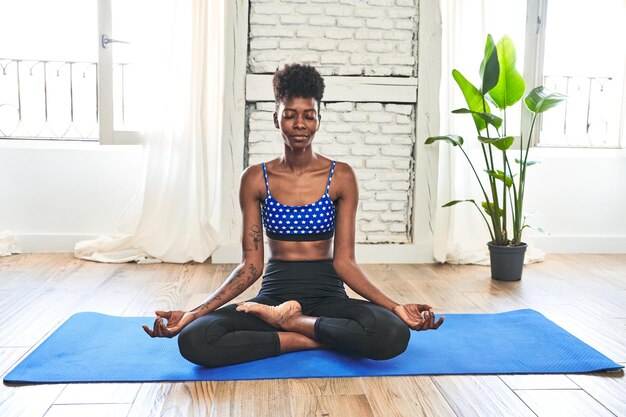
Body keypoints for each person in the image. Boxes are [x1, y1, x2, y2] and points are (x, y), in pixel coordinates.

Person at [142, 63, 444, 367]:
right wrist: (196, 312)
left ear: (318, 121)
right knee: (195, 339)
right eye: (290, 115)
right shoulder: (255, 179)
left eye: (308, 116)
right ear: (276, 119)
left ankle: (293, 323)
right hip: (274, 294)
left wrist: (395, 308)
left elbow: (345, 263)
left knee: (393, 334)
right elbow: (250, 266)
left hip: (329, 296)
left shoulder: (341, 176)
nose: (299, 123)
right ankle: (314, 336)